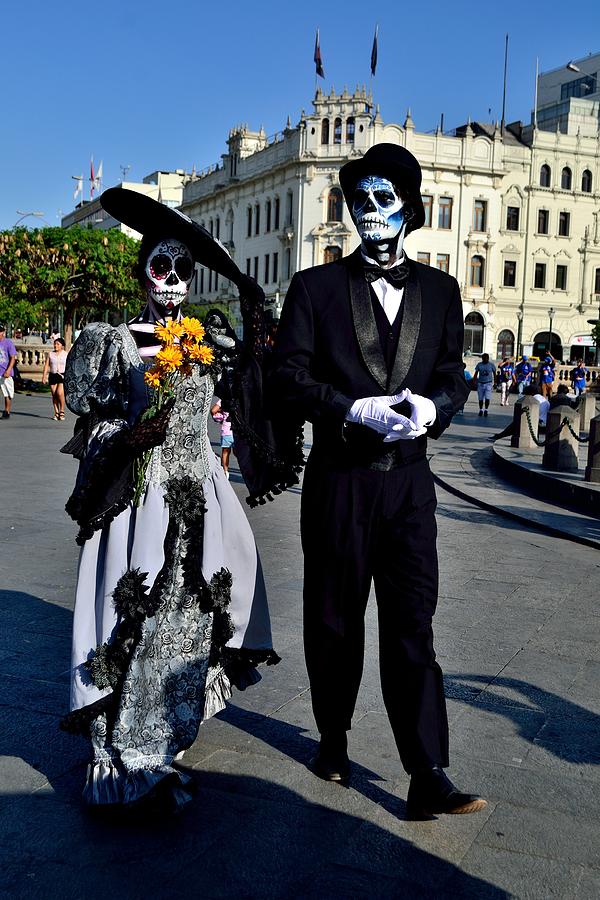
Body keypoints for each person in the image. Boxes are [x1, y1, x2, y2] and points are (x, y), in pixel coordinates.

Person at [60, 189, 299, 814]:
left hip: (198, 500)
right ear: (143, 273)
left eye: (181, 271)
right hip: (140, 502)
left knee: (190, 618)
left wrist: (255, 316)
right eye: (159, 268)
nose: (170, 282)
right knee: (132, 618)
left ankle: (164, 738)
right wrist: (128, 432)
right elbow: (91, 426)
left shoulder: (205, 339)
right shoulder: (112, 343)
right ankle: (124, 753)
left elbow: (255, 386)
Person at [273, 143, 485, 819]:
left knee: (412, 626)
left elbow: (452, 374)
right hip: (339, 481)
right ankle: (332, 738)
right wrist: (349, 408)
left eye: (384, 198)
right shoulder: (314, 288)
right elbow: (288, 376)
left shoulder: (442, 291)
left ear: (410, 208)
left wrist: (435, 407)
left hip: (409, 488)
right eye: (360, 198)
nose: (370, 210)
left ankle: (428, 770)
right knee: (334, 622)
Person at [42, 337, 68, 420]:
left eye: (57, 344)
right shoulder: (50, 354)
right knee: (54, 394)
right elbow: (46, 366)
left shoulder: (66, 354)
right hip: (53, 375)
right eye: (55, 344)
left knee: (59, 393)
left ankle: (62, 411)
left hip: (62, 375)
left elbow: (69, 366)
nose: (55, 345)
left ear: (62, 346)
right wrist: (44, 376)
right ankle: (56, 412)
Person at [211, 397, 235, 478]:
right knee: (240, 453)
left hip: (226, 430)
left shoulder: (223, 400)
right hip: (238, 432)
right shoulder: (241, 397)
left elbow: (213, 410)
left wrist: (221, 413)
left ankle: (225, 471)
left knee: (225, 452)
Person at [0, 324, 17, 420]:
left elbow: (13, 357)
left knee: (7, 392)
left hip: (5, 371)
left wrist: (9, 369)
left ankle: (7, 411)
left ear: (3, 332)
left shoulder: (8, 343)